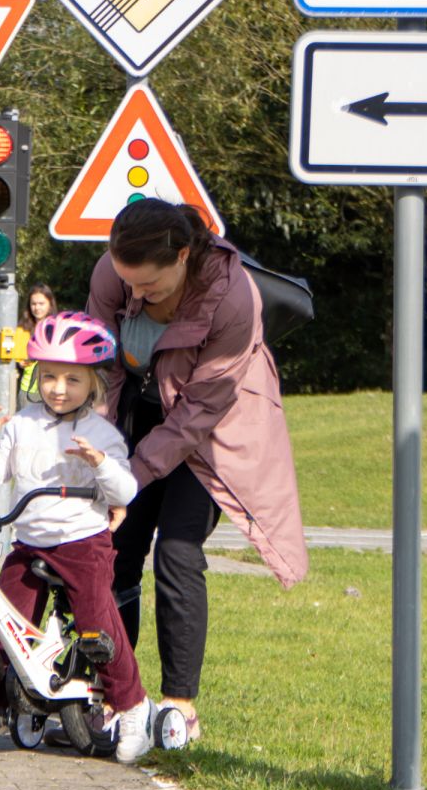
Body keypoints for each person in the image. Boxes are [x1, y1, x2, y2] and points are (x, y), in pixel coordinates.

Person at [85, 199, 308, 744]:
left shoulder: (233, 300)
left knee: (177, 552)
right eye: (128, 283)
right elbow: (101, 365)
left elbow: (197, 413)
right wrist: (103, 453)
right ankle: (113, 691)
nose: (136, 296)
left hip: (210, 433)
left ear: (183, 256)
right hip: (136, 413)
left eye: (149, 285)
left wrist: (132, 477)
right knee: (114, 548)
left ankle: (179, 704)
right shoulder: (112, 274)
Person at [0, 311, 152, 764]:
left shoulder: (101, 434)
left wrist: (100, 465)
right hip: (30, 541)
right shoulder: (23, 423)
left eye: (72, 379)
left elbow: (125, 492)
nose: (58, 388)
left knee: (96, 627)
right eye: (49, 376)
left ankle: (132, 707)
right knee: (5, 622)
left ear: (92, 384)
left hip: (82, 542)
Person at [15, 284, 58, 408]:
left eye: (41, 303)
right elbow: (19, 359)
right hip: (29, 391)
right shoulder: (22, 329)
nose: (37, 308)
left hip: (52, 390)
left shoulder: (57, 327)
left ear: (50, 304)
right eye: (33, 304)